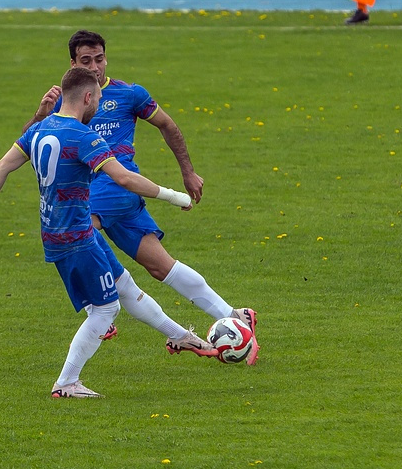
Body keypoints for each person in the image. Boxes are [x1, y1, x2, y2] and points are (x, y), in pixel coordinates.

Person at [0, 67, 219, 399]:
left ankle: (180, 336)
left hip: (61, 231)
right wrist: (174, 196)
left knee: (124, 285)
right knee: (106, 310)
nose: (99, 105)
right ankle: (66, 383)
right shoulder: (83, 136)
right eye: (98, 99)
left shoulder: (41, 128)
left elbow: (1, 166)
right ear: (87, 97)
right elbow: (124, 178)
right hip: (76, 238)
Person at [24, 30, 259, 365]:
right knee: (162, 266)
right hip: (115, 196)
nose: (95, 67)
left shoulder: (129, 94)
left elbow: (168, 125)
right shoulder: (66, 101)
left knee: (77, 229)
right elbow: (28, 144)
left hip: (116, 188)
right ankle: (234, 315)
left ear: (107, 58)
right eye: (86, 61)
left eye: (99, 59)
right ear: (73, 64)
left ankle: (99, 307)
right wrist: (40, 114)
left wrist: (188, 172)